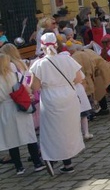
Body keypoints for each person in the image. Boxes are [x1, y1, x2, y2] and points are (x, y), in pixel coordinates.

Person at [29, 32, 86, 175]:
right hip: (69, 97)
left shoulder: (39, 64)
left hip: (50, 98)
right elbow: (79, 79)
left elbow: (34, 87)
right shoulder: (67, 59)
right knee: (68, 129)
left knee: (51, 130)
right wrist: (63, 85)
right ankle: (68, 164)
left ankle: (50, 158)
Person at [0, 53, 44, 175]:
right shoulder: (16, 75)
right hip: (21, 106)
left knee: (11, 139)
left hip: (5, 109)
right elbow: (26, 88)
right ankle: (37, 163)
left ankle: (19, 167)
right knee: (30, 135)